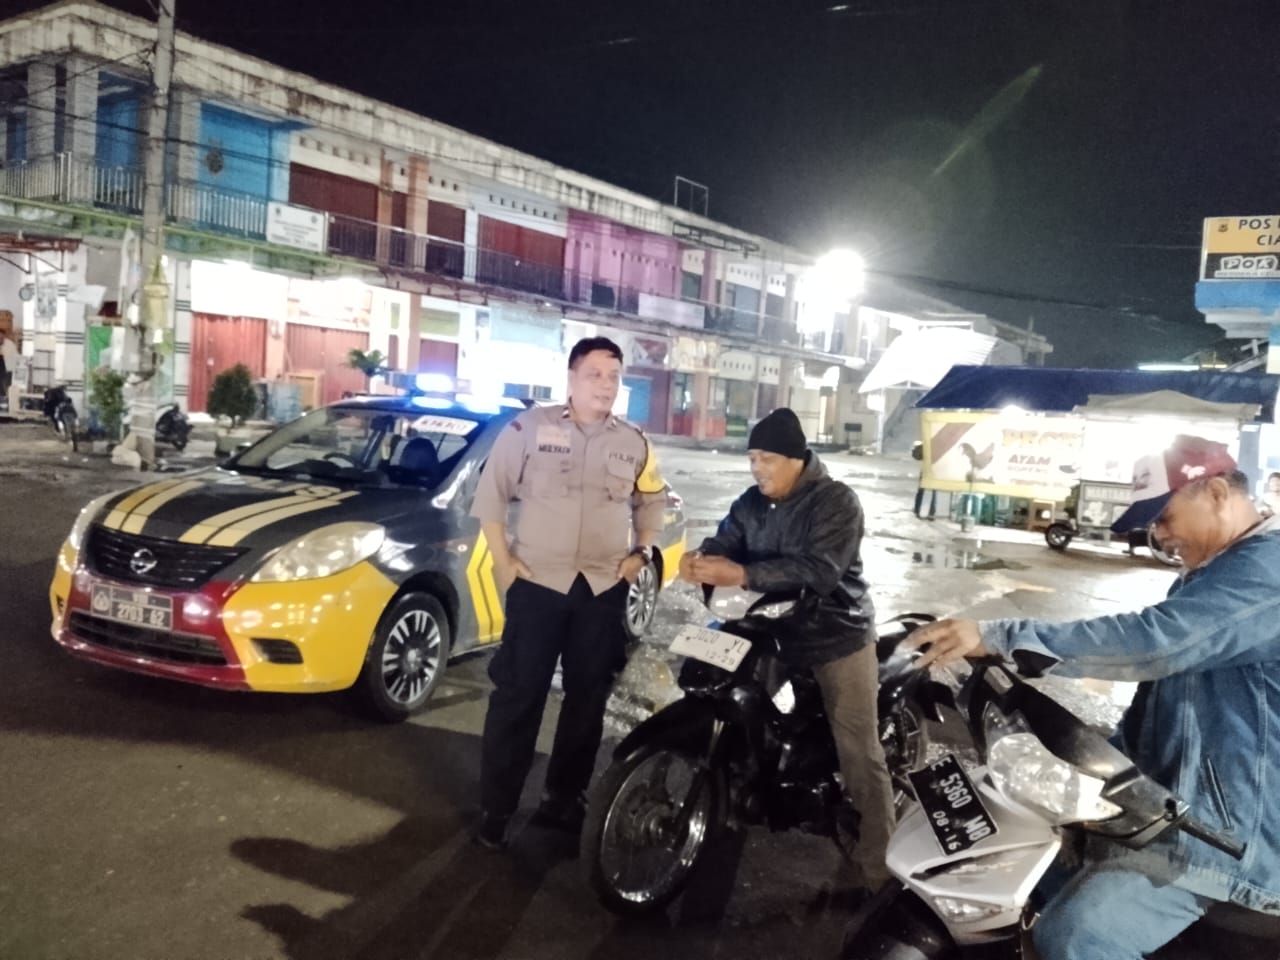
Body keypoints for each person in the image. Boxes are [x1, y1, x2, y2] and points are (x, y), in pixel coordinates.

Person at [909, 435, 1280, 960]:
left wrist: (1000, 636)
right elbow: (1158, 709)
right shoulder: (1207, 576)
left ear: (1217, 493)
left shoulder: (1267, 571)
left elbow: (1156, 643)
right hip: (1165, 810)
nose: (1158, 535)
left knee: (1077, 936)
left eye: (1165, 516)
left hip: (1226, 838)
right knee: (1008, 872)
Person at [677, 407, 893, 895]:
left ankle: (878, 869)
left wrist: (743, 574)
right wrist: (702, 559)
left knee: (858, 749)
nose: (757, 467)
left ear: (796, 459)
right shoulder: (750, 503)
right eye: (752, 457)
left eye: (767, 458)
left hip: (834, 632)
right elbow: (725, 541)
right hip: (767, 626)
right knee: (730, 701)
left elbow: (819, 571)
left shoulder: (836, 501)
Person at [469, 336, 667, 850]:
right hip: (538, 584)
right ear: (572, 378)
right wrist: (503, 561)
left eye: (614, 376)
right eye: (595, 374)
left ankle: (563, 797)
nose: (606, 384)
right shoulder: (529, 428)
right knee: (519, 696)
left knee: (587, 699)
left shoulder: (634, 442)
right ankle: (497, 807)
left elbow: (651, 501)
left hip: (602, 589)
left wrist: (642, 551)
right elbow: (491, 495)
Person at [911, 440, 937, 519]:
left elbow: (917, 456)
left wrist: (917, 448)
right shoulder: (937, 442)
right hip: (936, 470)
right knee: (933, 491)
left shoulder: (927, 442)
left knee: (921, 490)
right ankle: (931, 513)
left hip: (927, 470)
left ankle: (917, 510)